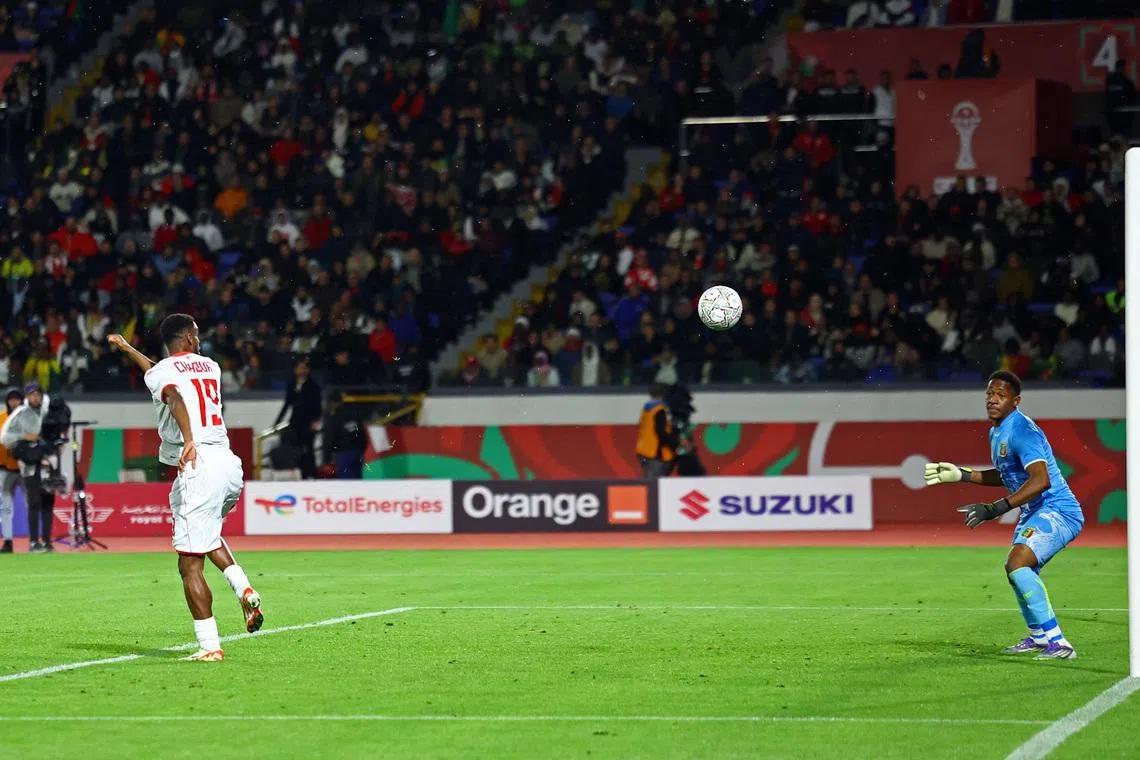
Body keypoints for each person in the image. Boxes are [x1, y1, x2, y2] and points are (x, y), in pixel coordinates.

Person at [107, 317, 264, 662]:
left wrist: (189, 439)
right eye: (197, 334)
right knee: (207, 533)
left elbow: (173, 393)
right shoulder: (210, 366)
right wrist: (127, 348)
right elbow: (161, 373)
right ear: (190, 339)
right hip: (227, 463)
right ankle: (244, 588)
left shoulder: (164, 374)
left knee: (189, 564)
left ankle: (209, 646)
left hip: (197, 463)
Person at [924, 370, 1083, 660]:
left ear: (1015, 401)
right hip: (1036, 510)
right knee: (1015, 570)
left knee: (1018, 563)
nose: (993, 400)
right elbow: (1007, 474)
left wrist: (997, 508)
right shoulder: (996, 431)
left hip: (1058, 509)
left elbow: (1040, 480)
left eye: (1001, 395)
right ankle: (1038, 637)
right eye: (989, 394)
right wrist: (961, 474)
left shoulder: (1022, 430)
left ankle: (1060, 644)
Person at [0, 383, 55, 552]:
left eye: (38, 394)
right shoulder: (15, 414)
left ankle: (43, 540)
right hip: (13, 465)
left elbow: (50, 436)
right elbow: (5, 438)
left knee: (40, 502)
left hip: (39, 464)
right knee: (13, 505)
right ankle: (17, 541)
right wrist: (26, 438)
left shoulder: (44, 413)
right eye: (11, 399)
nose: (35, 397)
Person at [635, 383, 677, 479]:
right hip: (654, 453)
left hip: (643, 450)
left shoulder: (646, 408)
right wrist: (674, 444)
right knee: (654, 485)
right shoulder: (660, 410)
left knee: (649, 481)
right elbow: (661, 433)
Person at [0, 388, 24, 552]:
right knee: (6, 506)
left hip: (24, 467)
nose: (13, 402)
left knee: (31, 503)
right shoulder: (1, 418)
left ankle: (35, 540)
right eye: (11, 399)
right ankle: (8, 541)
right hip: (4, 467)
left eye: (16, 399)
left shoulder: (28, 418)